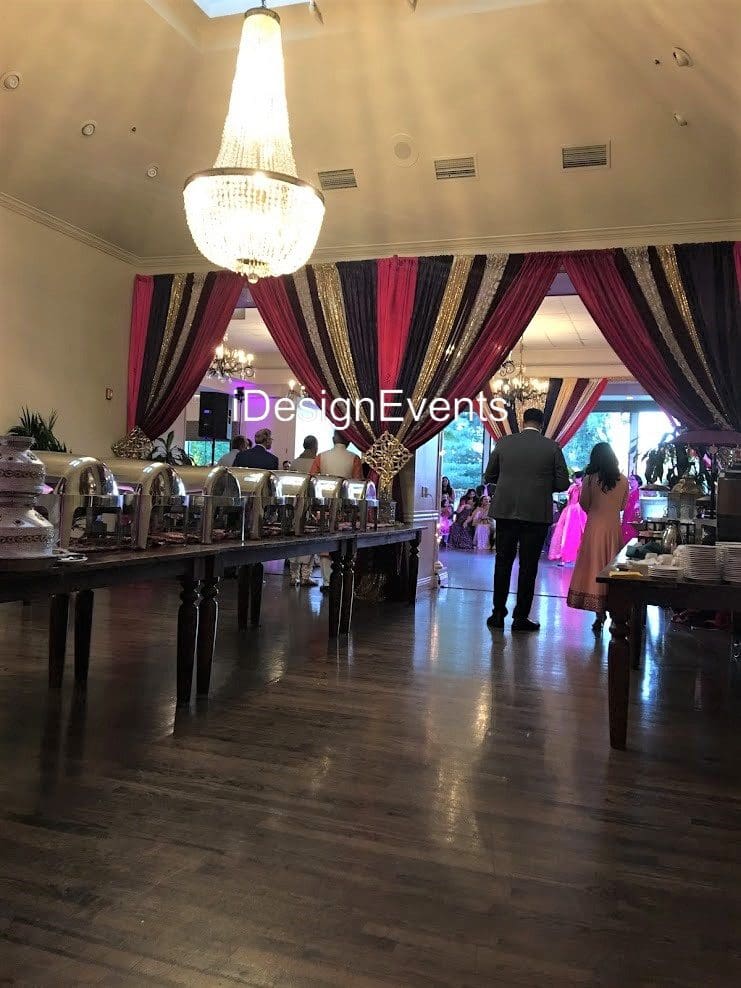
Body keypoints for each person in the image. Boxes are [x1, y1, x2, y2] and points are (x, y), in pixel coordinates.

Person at [484, 407, 570, 632]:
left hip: (505, 510)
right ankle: (520, 617)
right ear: (541, 424)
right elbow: (563, 484)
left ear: (523, 422)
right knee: (528, 565)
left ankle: (497, 614)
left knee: (502, 562)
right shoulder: (552, 447)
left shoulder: (503, 443)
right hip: (536, 513)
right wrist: (540, 486)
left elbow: (489, 476)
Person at [567, 442, 628, 633]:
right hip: (612, 529)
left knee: (594, 567)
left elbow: (584, 504)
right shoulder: (624, 480)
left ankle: (598, 615)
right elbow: (622, 506)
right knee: (612, 570)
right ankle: (614, 614)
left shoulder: (590, 479)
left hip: (594, 528)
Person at [311, 431, 363, 593]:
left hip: (324, 505)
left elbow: (312, 478)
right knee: (344, 542)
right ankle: (341, 578)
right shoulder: (354, 458)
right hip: (345, 506)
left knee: (325, 541)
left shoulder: (321, 456)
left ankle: (327, 581)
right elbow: (357, 482)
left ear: (333, 439)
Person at [289, 435, 320, 587]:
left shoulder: (295, 462)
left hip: (296, 504)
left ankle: (293, 576)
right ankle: (305, 576)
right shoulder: (316, 462)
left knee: (294, 539)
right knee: (309, 539)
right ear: (314, 446)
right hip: (311, 504)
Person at [548, 471, 587, 565]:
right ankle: (565, 556)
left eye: (574, 477)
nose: (573, 479)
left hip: (577, 512)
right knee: (566, 533)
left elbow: (581, 501)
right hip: (570, 511)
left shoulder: (583, 488)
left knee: (575, 534)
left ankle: (576, 557)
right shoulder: (573, 487)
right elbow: (570, 501)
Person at [621, 472, 642, 544]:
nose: (630, 481)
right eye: (629, 479)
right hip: (626, 515)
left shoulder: (640, 492)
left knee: (632, 534)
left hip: (634, 516)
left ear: (638, 481)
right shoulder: (628, 492)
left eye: (632, 479)